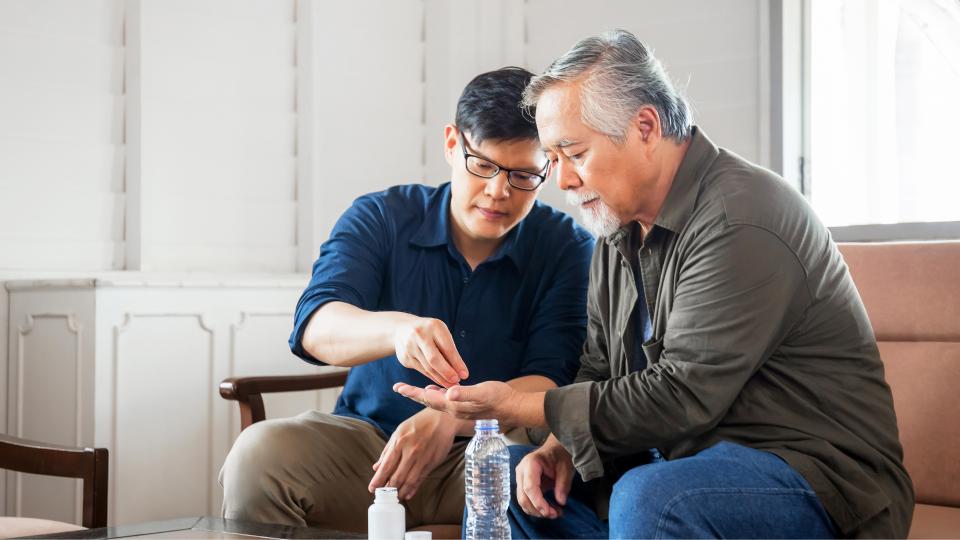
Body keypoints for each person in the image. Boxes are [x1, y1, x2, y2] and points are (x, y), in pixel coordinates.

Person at [395, 31, 913, 538]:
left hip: (811, 478)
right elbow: (597, 367)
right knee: (512, 477)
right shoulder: (614, 229)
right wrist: (557, 447)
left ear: (645, 127)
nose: (564, 181)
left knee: (654, 499)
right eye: (552, 160)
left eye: (573, 153)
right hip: (672, 465)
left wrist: (513, 405)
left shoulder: (742, 217)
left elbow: (681, 395)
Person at [218, 67, 594, 532]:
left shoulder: (567, 249)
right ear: (453, 144)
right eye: (484, 165)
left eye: (523, 175)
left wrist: (450, 418)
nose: (499, 191)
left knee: (536, 478)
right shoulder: (382, 216)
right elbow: (316, 324)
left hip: (495, 451)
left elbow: (552, 380)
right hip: (370, 451)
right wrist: (397, 330)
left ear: (548, 169)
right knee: (258, 458)